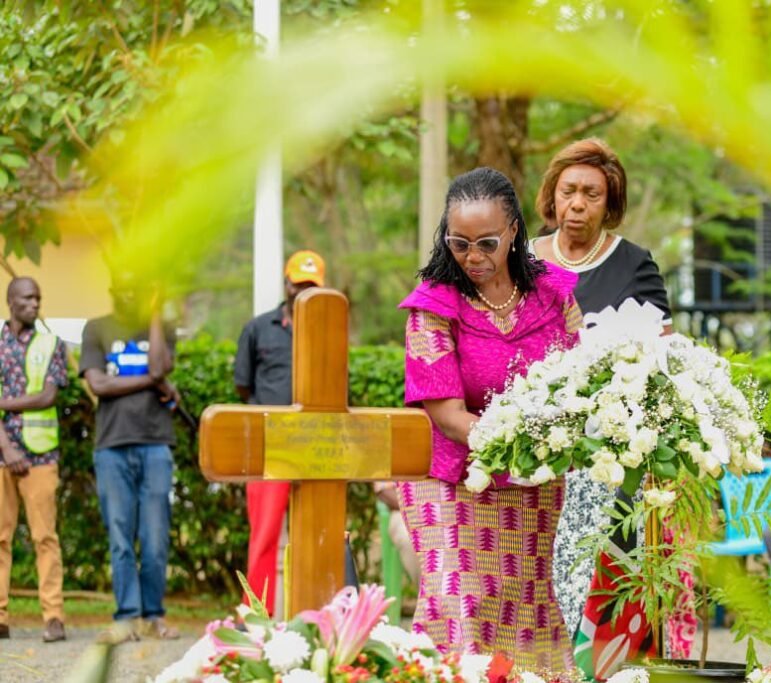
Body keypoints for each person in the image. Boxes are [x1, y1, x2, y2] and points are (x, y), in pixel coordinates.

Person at [397, 167, 582, 670]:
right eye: (459, 243)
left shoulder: (554, 293)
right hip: (454, 479)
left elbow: (579, 379)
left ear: (515, 232)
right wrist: (515, 444)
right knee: (462, 609)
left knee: (529, 607)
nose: (473, 257)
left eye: (486, 242)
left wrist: (551, 444)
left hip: (536, 480)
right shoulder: (433, 306)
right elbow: (448, 413)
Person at [531, 138, 696, 669]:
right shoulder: (525, 262)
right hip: (537, 459)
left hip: (612, 463)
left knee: (604, 594)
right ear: (551, 198)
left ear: (610, 204)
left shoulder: (633, 263)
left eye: (592, 194)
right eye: (568, 191)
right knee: (539, 592)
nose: (577, 204)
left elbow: (663, 355)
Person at [234, 250, 358, 615]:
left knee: (321, 534)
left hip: (318, 446)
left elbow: (341, 384)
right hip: (272, 445)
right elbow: (243, 385)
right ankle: (256, 615)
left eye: (310, 287)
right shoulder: (258, 329)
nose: (302, 293)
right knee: (265, 534)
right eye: (298, 285)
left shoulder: (329, 331)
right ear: (286, 285)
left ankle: (323, 615)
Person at [80, 275, 180, 643]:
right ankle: (127, 618)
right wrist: (154, 385)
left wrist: (154, 314)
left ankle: (154, 615)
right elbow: (99, 385)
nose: (129, 291)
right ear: (112, 290)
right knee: (120, 536)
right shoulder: (97, 328)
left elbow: (158, 367)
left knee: (155, 538)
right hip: (112, 445)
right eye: (122, 286)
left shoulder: (163, 329)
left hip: (156, 444)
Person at [0, 278, 68, 643]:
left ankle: (54, 617)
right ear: (11, 301)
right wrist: (8, 450)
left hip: (41, 455)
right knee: (0, 538)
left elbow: (48, 396)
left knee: (45, 537)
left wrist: (4, 405)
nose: (35, 303)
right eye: (28, 297)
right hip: (1, 456)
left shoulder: (51, 343)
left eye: (39, 297)